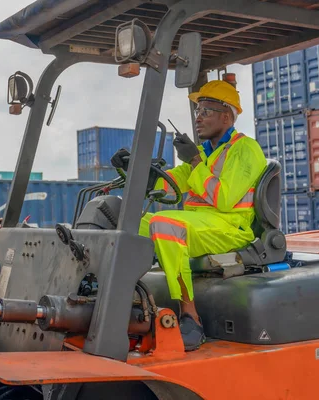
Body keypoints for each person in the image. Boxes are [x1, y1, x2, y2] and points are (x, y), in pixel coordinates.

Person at [112, 80, 267, 351]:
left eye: (206, 110)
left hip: (230, 229)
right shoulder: (206, 154)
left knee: (164, 224)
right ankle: (122, 303)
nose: (199, 116)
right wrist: (134, 170)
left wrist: (194, 161)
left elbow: (224, 198)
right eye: (197, 110)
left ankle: (190, 317)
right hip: (201, 228)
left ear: (226, 116)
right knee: (123, 219)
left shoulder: (245, 149)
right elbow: (165, 183)